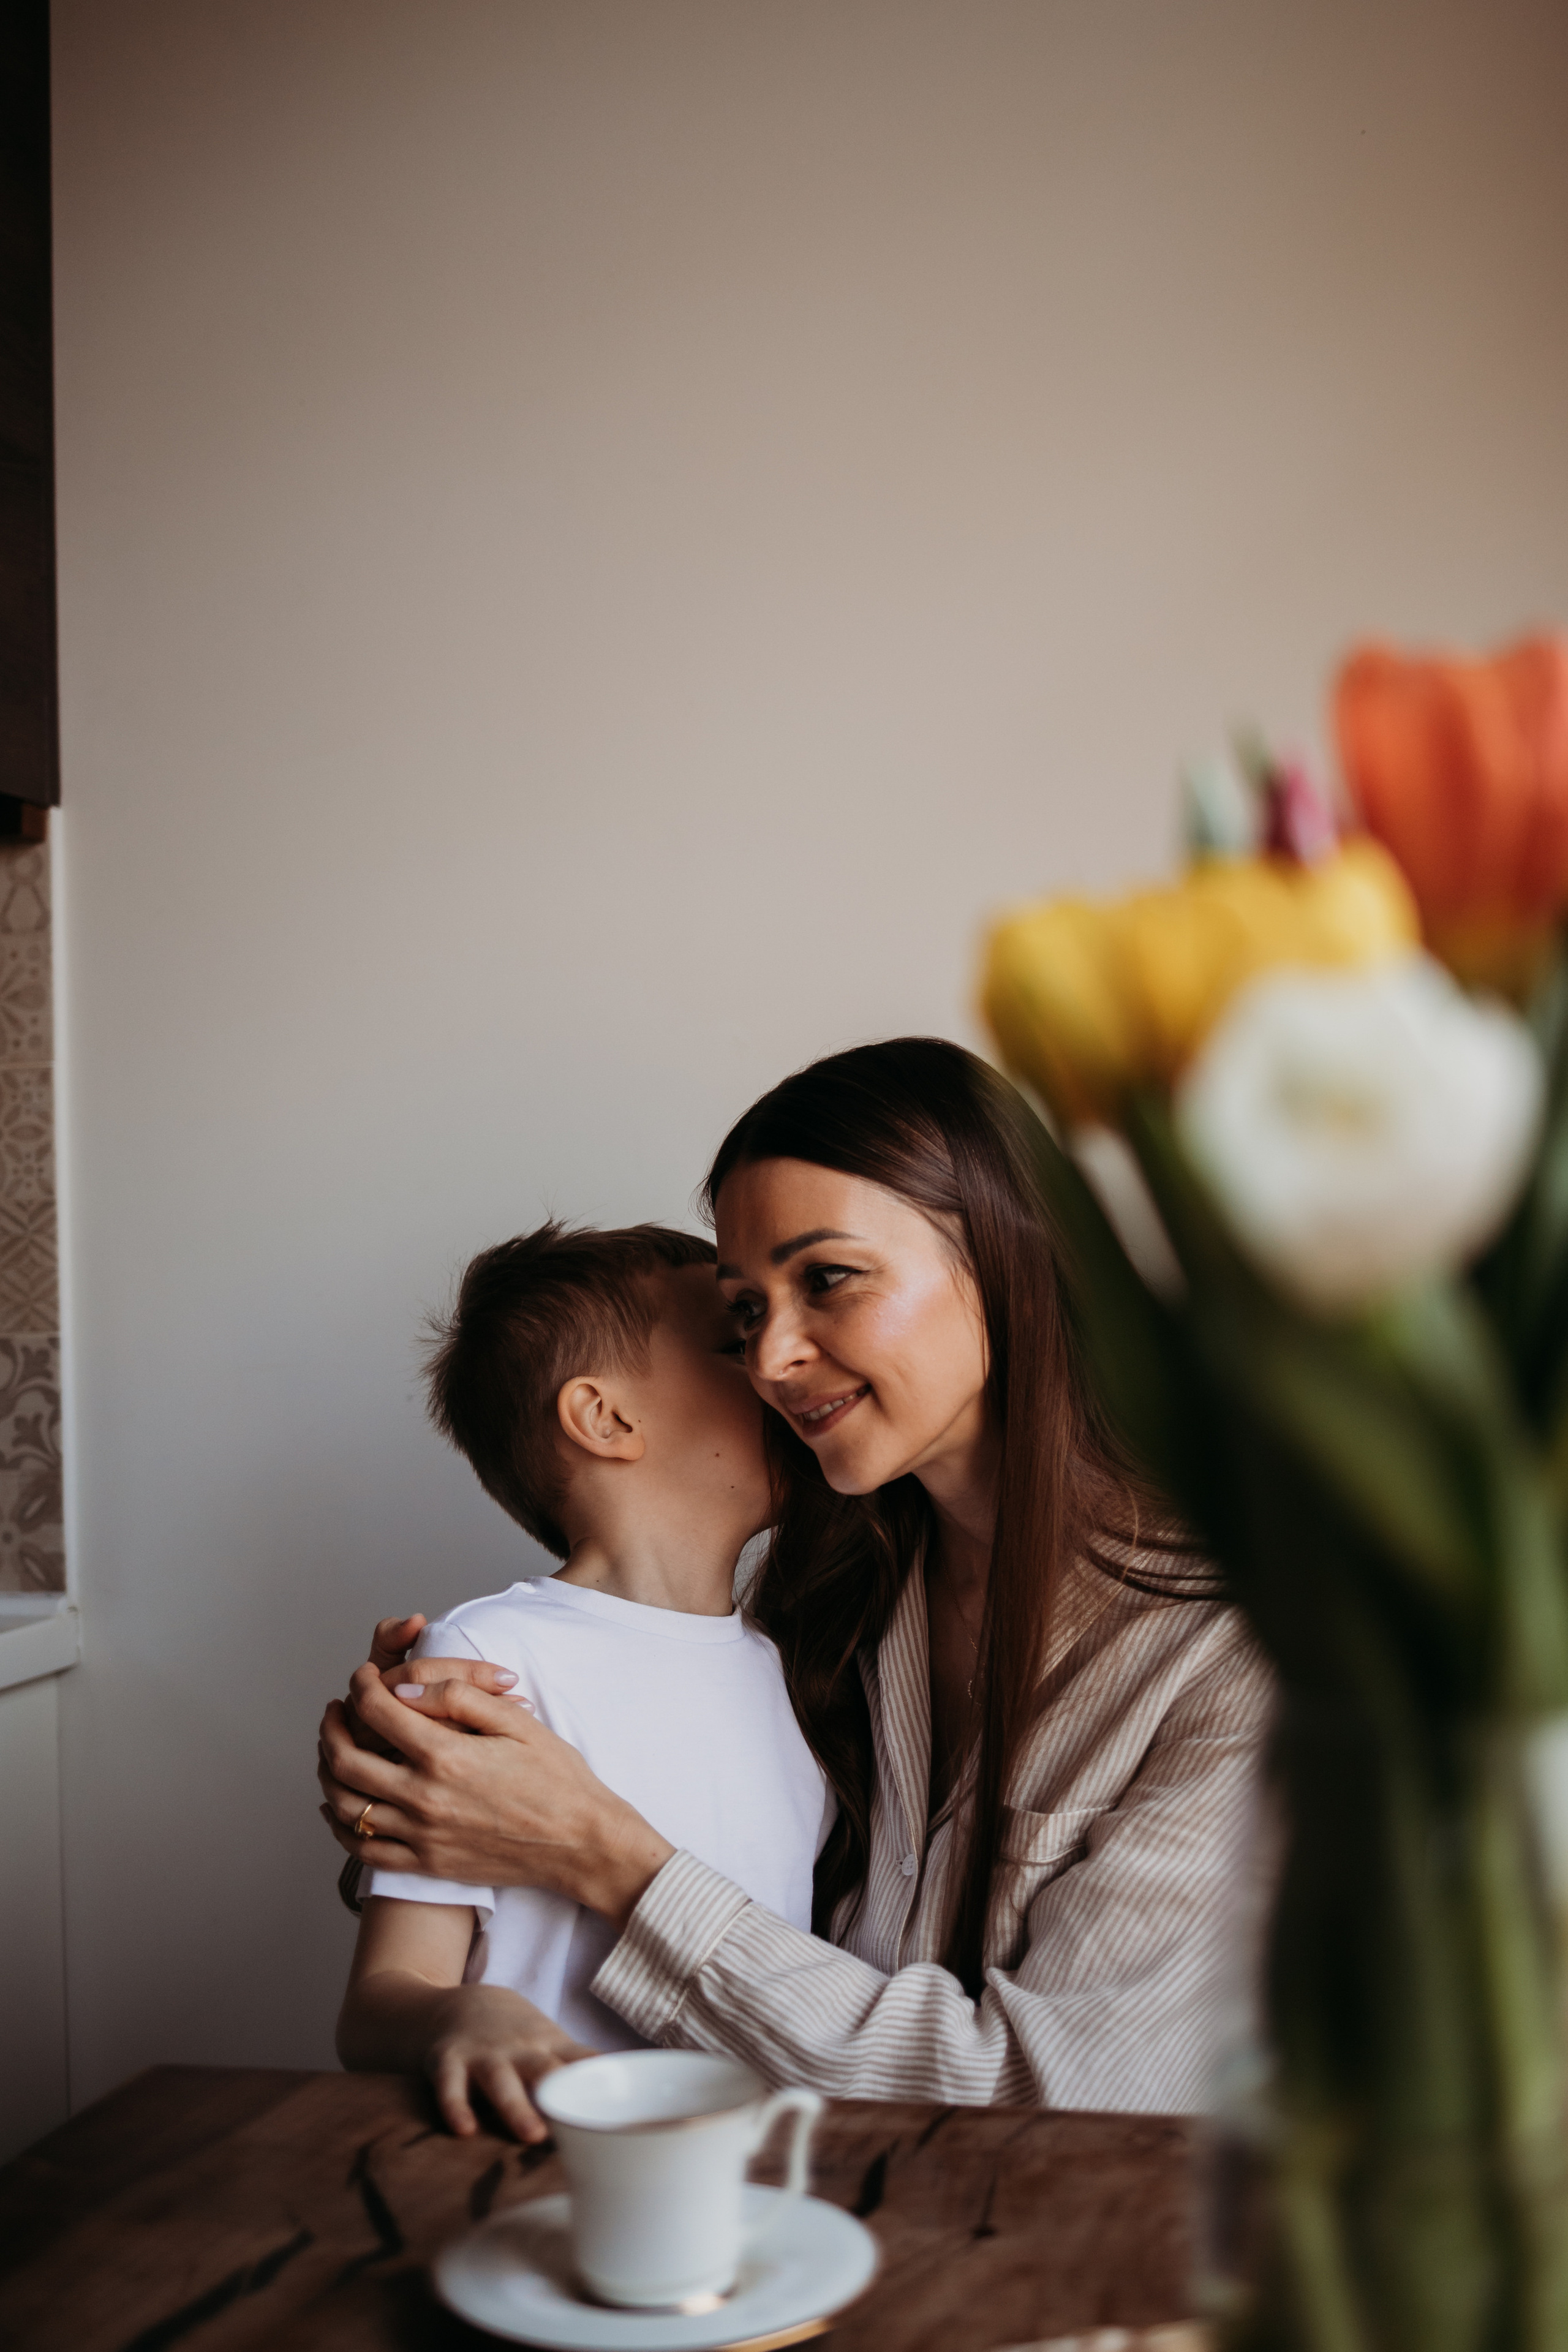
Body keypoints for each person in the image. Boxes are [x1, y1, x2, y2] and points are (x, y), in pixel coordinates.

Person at [320, 1039, 1273, 2114]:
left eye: (829, 1279)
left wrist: (599, 1855)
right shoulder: (827, 1590)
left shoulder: (1246, 1659)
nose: (771, 1361)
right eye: (742, 1314)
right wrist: (406, 1795)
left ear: (1009, 1257)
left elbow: (1055, 2088)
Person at [335, 1221, 831, 2141]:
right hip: (543, 2159)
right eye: (735, 1344)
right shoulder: (487, 1657)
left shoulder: (781, 1667)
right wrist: (460, 2017)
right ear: (605, 1418)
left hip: (744, 2162)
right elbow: (377, 2005)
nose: (778, 1369)